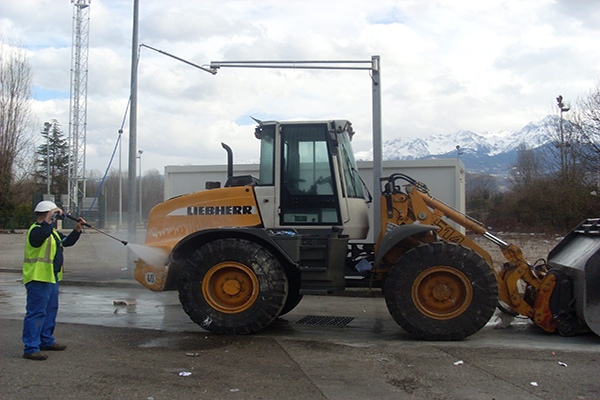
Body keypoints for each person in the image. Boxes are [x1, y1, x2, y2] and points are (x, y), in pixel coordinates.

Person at [22, 200, 86, 361]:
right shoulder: (36, 230)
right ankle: (31, 347)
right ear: (49, 214)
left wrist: (77, 230)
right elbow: (42, 234)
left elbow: (66, 242)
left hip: (51, 277)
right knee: (36, 313)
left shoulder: (52, 232)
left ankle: (45, 340)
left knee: (50, 311)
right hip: (38, 278)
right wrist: (50, 217)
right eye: (55, 214)